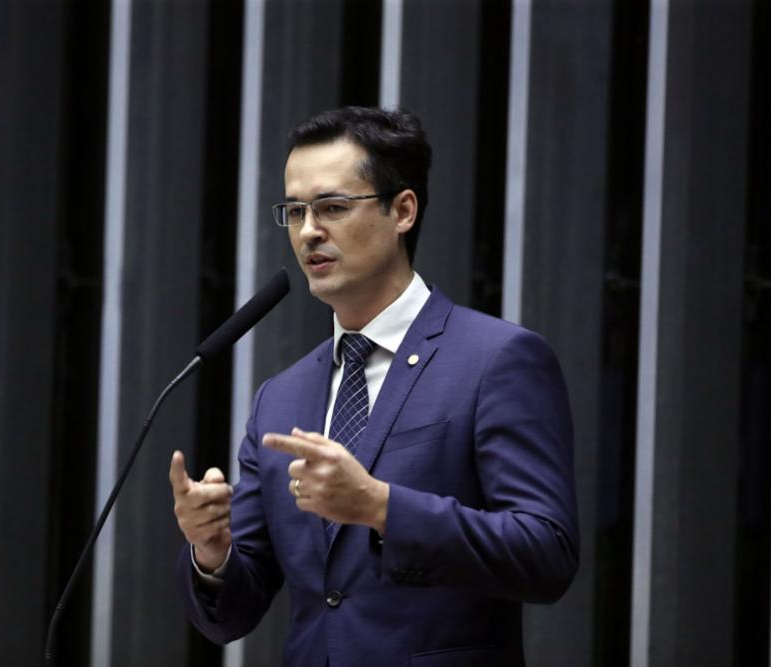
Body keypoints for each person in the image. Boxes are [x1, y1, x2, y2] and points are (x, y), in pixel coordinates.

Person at [170, 106, 578, 666]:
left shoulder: (496, 360)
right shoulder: (280, 399)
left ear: (402, 210)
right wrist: (211, 553)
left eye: (333, 207)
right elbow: (235, 613)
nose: (309, 231)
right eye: (294, 211)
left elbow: (546, 553)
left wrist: (382, 507)